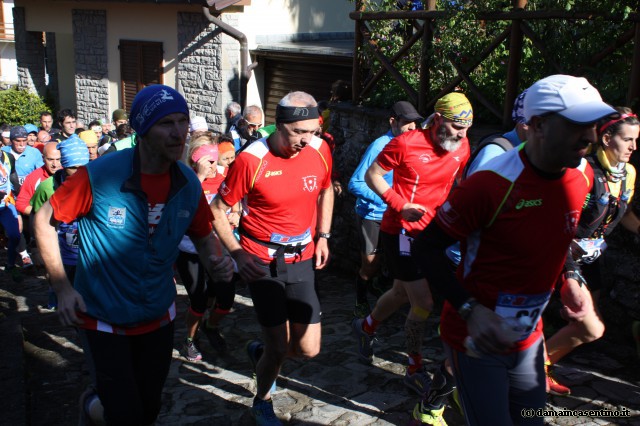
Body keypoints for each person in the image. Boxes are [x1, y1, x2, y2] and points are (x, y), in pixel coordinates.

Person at [410, 75, 616, 425]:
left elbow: (557, 234)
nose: (590, 136)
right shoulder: (491, 184)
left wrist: (571, 278)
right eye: (575, 126)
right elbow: (426, 248)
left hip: (528, 336)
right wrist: (470, 309)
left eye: (593, 125)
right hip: (476, 338)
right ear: (537, 125)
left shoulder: (581, 173)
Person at [34, 84, 234, 425]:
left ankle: (97, 407)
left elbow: (202, 233)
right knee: (126, 415)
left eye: (182, 121)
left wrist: (218, 261)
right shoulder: (100, 176)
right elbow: (44, 220)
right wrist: (63, 287)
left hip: (157, 314)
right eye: (165, 123)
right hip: (102, 315)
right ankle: (94, 407)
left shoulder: (187, 182)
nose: (178, 133)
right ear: (142, 128)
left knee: (149, 409)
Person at [211, 91, 333, 425]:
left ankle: (262, 355)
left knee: (309, 349)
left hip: (302, 257)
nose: (307, 140)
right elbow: (217, 211)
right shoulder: (251, 159)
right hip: (260, 262)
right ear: (278, 126)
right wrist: (237, 254)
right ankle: (262, 399)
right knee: (279, 346)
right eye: (299, 132)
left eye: (313, 130)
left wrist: (323, 235)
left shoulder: (320, 149)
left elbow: (326, 190)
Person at [352, 92, 472, 397]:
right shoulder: (405, 143)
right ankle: (414, 367)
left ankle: (366, 327)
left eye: (467, 129)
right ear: (440, 120)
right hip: (401, 231)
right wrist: (398, 203)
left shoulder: (463, 146)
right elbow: (372, 175)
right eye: (458, 127)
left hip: (435, 232)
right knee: (423, 302)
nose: (462, 135)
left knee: (399, 293)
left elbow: (456, 185)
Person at [543, 106, 640, 396]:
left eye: (636, 140)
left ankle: (537, 367)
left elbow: (623, 215)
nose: (634, 147)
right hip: (561, 255)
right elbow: (554, 213)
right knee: (588, 325)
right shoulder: (582, 170)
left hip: (591, 257)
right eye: (628, 140)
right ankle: (530, 369)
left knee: (583, 322)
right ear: (607, 139)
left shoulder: (628, 173)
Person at [348, 101, 423, 318]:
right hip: (374, 215)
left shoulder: (415, 144)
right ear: (393, 122)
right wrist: (387, 200)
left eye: (415, 124)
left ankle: (384, 289)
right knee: (370, 265)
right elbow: (356, 183)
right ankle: (361, 299)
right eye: (407, 123)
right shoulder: (380, 146)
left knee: (403, 258)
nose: (412, 128)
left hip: (401, 218)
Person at [177, 133, 239, 360]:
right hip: (190, 250)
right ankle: (190, 341)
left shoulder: (225, 176)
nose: (215, 166)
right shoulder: (185, 179)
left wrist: (236, 214)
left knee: (225, 299)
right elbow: (181, 214)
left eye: (217, 160)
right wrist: (200, 179)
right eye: (209, 162)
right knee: (199, 301)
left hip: (219, 246)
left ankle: (211, 326)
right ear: (195, 160)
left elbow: (235, 202)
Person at [31, 136, 89, 310]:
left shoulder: (94, 181)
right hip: (62, 255)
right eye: (73, 167)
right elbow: (36, 216)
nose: (79, 173)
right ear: (64, 164)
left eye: (83, 167)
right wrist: (36, 248)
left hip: (89, 256)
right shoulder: (47, 186)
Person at [15, 142, 62, 216]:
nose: (55, 164)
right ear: (43, 158)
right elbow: (21, 204)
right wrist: (42, 216)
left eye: (58, 159)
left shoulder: (69, 173)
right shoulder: (34, 177)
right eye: (50, 159)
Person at [0, 128, 22, 281]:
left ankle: (10, 264)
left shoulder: (8, 157)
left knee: (15, 234)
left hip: (6, 203)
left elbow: (13, 178)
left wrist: (21, 195)